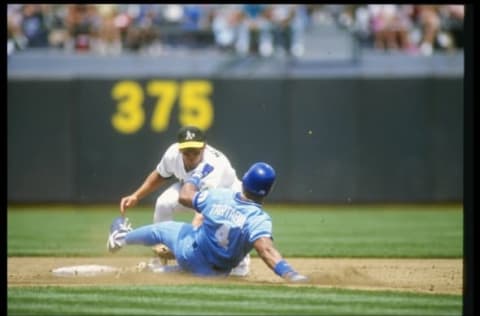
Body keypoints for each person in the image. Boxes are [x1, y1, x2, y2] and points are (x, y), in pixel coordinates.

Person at [107, 162, 308, 282]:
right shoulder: (258, 219)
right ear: (268, 191)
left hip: (190, 252)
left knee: (162, 230)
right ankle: (155, 272)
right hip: (215, 273)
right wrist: (289, 274)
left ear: (245, 181)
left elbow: (185, 197)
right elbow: (266, 250)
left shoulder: (220, 196)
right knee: (193, 270)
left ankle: (122, 238)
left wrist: (196, 176)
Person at [118, 125, 250, 276]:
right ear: (180, 149)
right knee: (164, 203)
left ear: (204, 147)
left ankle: (241, 263)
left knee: (227, 230)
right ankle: (158, 257)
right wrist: (136, 195)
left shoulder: (213, 165)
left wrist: (186, 247)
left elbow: (202, 213)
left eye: (195, 151)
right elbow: (160, 175)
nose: (191, 155)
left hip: (228, 196)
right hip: (190, 190)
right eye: (187, 151)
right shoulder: (173, 153)